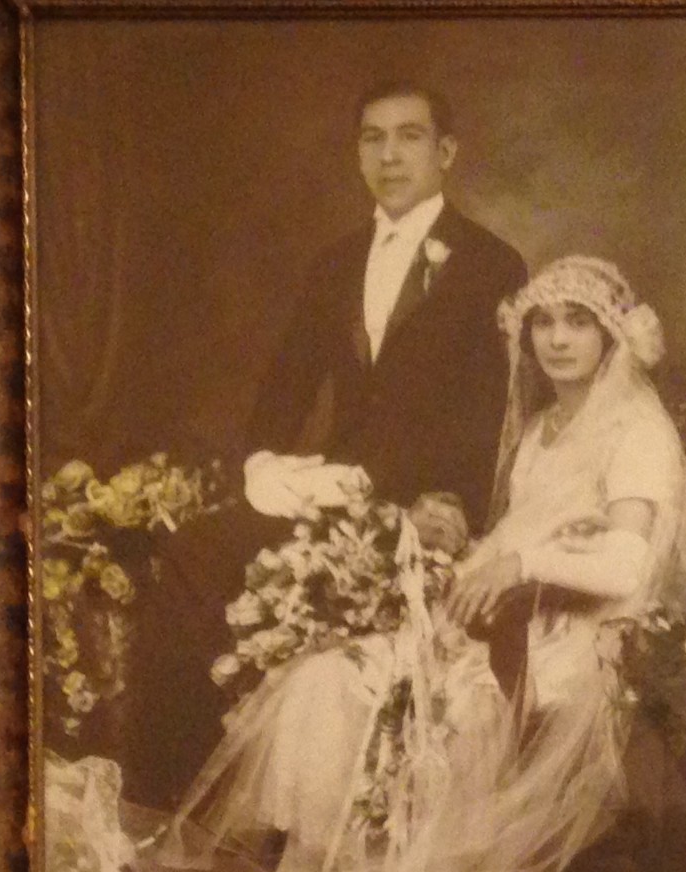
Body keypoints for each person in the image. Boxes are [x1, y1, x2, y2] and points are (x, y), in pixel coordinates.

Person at [150, 255, 686, 872]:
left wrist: (517, 565)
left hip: (571, 638)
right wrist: (469, 547)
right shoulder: (544, 429)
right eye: (543, 321)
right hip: (504, 612)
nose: (557, 338)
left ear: (612, 336)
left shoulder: (636, 430)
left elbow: (630, 565)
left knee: (447, 714)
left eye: (579, 322)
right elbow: (522, 534)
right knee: (331, 680)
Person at [122, 81, 527, 808]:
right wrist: (262, 464)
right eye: (372, 138)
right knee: (197, 553)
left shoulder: (492, 264)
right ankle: (169, 798)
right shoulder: (336, 262)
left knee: (294, 593)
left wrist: (457, 502)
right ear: (357, 154)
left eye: (408, 136)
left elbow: (495, 410)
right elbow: (285, 386)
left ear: (446, 152)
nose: (389, 154)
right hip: (334, 493)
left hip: (421, 504)